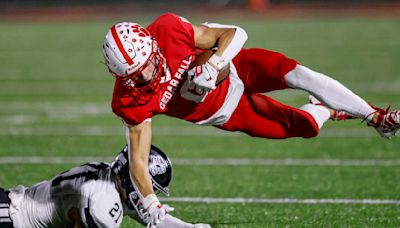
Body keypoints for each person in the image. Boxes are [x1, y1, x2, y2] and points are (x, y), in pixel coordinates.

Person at [102, 13, 400, 226]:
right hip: (227, 111)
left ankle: (378, 117)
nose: (144, 76)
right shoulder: (128, 101)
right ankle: (327, 110)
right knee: (305, 127)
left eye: (145, 66)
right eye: (132, 76)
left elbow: (235, 33)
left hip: (235, 70)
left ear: (152, 45)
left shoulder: (168, 29)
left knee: (300, 74)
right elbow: (138, 160)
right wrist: (153, 208)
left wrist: (215, 64)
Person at [0, 145, 211, 228]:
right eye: (147, 185)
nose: (149, 193)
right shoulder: (102, 201)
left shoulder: (111, 181)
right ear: (131, 178)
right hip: (9, 218)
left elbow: (153, 219)